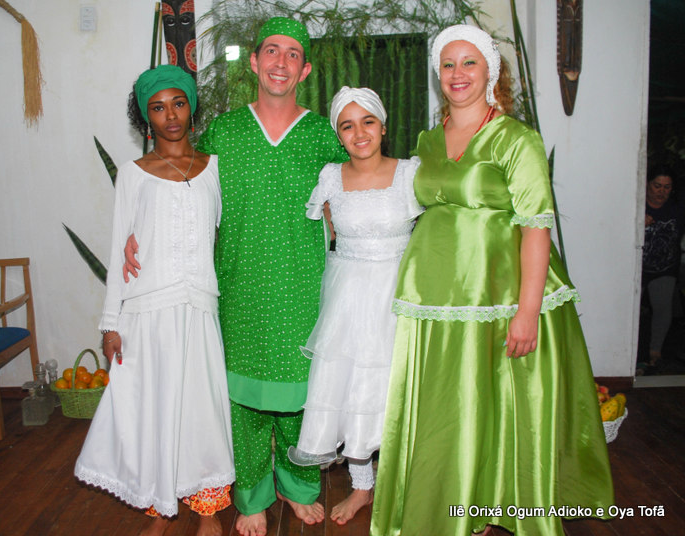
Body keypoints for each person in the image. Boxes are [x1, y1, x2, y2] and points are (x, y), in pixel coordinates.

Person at [370, 25, 614, 536]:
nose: (457, 74)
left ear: (491, 72)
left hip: (501, 295)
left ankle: (497, 502)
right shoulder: (427, 140)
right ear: (438, 75)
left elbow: (536, 228)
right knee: (451, 405)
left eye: (469, 63)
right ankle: (457, 502)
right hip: (437, 296)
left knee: (499, 401)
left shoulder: (516, 139)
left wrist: (527, 311)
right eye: (448, 64)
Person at [123, 17, 348, 536]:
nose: (280, 62)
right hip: (237, 284)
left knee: (299, 395)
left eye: (293, 54)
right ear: (254, 62)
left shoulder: (321, 134)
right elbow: (179, 186)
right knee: (241, 400)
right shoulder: (223, 133)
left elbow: (358, 186)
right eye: (272, 51)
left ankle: (298, 487)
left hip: (302, 285)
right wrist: (139, 230)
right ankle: (250, 495)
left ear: (304, 70)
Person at [74, 65, 234, 536]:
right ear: (147, 118)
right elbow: (117, 249)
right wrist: (110, 323)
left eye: (178, 103)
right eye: (159, 108)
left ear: (191, 109)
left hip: (199, 310)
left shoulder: (215, 169)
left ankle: (208, 512)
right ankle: (158, 510)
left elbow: (228, 236)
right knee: (154, 415)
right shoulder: (133, 175)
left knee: (201, 414)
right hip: (147, 314)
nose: (171, 116)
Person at [285, 87, 422, 525]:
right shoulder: (330, 176)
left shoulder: (411, 173)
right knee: (352, 390)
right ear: (338, 134)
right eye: (347, 125)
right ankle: (362, 487)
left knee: (398, 389)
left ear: (383, 126)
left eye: (368, 122)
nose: (359, 133)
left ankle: (406, 483)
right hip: (347, 299)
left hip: (399, 295)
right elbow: (319, 233)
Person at [637, 169, 684, 375]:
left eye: (666, 187)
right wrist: (638, 222)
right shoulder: (636, 206)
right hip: (637, 269)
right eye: (657, 186)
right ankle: (633, 353)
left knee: (663, 309)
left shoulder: (676, 210)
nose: (661, 191)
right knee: (632, 310)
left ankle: (654, 353)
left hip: (665, 269)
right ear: (647, 184)